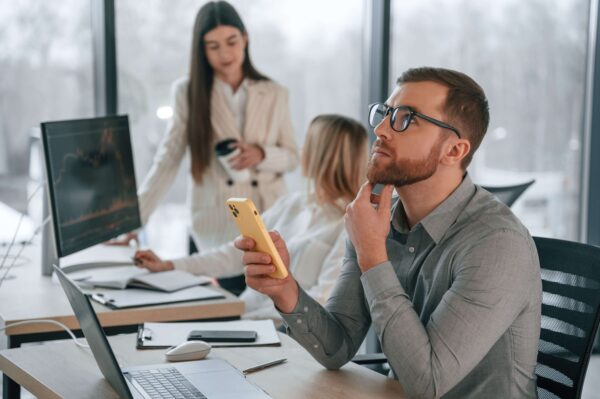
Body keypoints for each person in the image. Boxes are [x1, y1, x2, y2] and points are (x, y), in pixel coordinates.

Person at [236, 67, 542, 398]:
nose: (381, 129)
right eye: (386, 113)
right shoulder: (378, 218)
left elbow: (428, 383)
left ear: (454, 151)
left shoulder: (497, 244)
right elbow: (337, 347)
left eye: (407, 118)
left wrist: (372, 255)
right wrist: (285, 289)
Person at [134, 114, 368, 321]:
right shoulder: (291, 204)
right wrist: (170, 265)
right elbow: (233, 255)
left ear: (323, 155)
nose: (301, 151)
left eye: (307, 144)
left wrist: (244, 320)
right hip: (244, 318)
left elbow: (323, 303)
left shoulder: (348, 227)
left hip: (277, 334)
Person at [132, 1, 298, 251]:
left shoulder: (275, 93)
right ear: (202, 50)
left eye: (232, 42)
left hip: (269, 218)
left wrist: (262, 154)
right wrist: (133, 223)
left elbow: (293, 157)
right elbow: (167, 161)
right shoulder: (188, 92)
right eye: (213, 46)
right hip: (216, 222)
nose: (225, 54)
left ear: (245, 38)